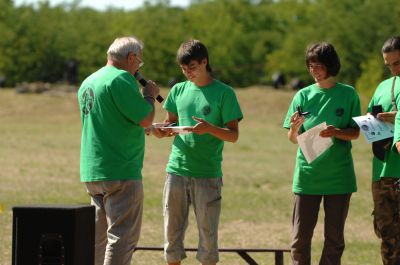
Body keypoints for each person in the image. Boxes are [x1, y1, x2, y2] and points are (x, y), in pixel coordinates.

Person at [152, 39, 243, 265]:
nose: (188, 73)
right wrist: (162, 131)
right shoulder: (178, 90)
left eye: (192, 68)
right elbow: (170, 123)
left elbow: (233, 135)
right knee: (171, 237)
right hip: (176, 171)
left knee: (208, 239)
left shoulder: (225, 93)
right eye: (183, 69)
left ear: (205, 62)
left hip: (207, 173)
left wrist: (209, 129)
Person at [77, 36, 160, 265]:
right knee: (121, 238)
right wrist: (149, 95)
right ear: (131, 57)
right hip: (121, 170)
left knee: (97, 240)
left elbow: (110, 120)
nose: (138, 69)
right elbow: (145, 117)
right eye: (139, 63)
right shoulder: (122, 79)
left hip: (93, 170)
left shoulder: (88, 81)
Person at [283, 42, 361, 265]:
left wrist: (337, 132)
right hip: (307, 177)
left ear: (330, 65)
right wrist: (295, 128)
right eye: (310, 66)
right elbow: (292, 139)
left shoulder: (348, 94)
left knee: (334, 240)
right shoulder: (302, 95)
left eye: (317, 66)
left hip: (339, 178)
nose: (313, 71)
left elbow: (355, 133)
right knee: (299, 240)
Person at [371, 36, 400, 265]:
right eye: (388, 64)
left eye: (397, 63)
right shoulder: (383, 86)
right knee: (386, 237)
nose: (392, 69)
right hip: (381, 171)